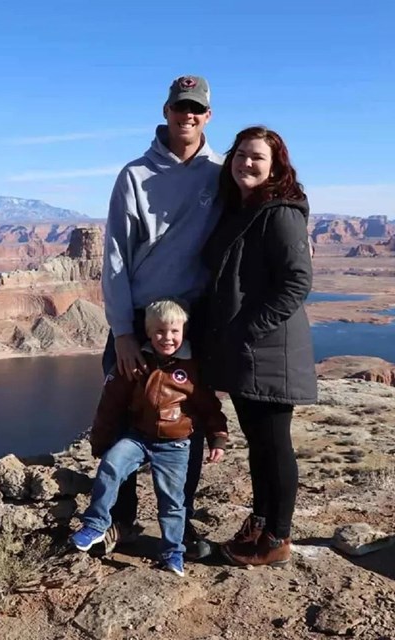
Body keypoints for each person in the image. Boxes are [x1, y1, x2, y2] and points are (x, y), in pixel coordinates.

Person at [100, 75, 224, 558]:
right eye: (180, 107)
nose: (187, 116)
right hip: (139, 318)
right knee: (123, 416)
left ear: (207, 115)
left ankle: (181, 523)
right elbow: (114, 258)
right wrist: (124, 332)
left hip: (192, 321)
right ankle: (119, 521)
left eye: (196, 109)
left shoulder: (220, 171)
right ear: (167, 110)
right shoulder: (134, 175)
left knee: (185, 419)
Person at [201, 126, 317, 566]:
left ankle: (278, 538)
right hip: (246, 351)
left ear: (275, 167)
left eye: (258, 158)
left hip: (268, 350)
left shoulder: (279, 211)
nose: (246, 164)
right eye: (241, 155)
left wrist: (249, 329)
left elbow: (296, 282)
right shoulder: (243, 208)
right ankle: (261, 520)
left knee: (274, 443)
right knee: (259, 444)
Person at [70, 299, 228, 576]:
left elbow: (209, 407)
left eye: (174, 332)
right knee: (110, 466)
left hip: (176, 445)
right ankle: (95, 525)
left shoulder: (192, 367)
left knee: (172, 502)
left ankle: (172, 552)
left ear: (184, 331)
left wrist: (218, 437)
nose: (167, 338)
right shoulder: (135, 361)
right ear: (147, 331)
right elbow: (110, 403)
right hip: (138, 437)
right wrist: (101, 439)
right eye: (159, 332)